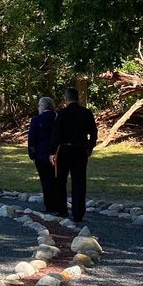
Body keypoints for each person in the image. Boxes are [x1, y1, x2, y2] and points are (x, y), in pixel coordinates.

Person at [49, 87, 98, 221]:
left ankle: (61, 209)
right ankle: (78, 213)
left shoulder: (62, 113)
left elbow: (56, 134)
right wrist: (89, 147)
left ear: (66, 99)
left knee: (60, 179)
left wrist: (52, 151)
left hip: (64, 149)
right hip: (80, 150)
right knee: (79, 181)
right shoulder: (86, 113)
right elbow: (93, 133)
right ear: (78, 98)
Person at [28, 96, 61, 213]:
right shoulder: (58, 118)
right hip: (58, 153)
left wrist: (32, 153)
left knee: (45, 180)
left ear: (43, 106)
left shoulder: (36, 120)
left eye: (39, 105)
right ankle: (59, 205)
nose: (38, 108)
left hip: (41, 154)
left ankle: (49, 205)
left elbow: (32, 138)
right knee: (58, 180)